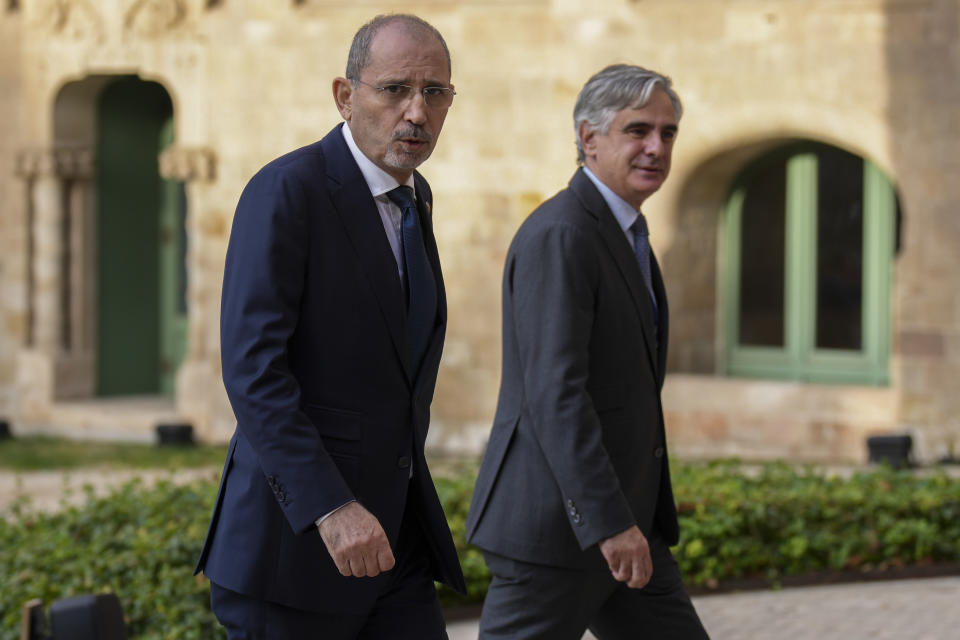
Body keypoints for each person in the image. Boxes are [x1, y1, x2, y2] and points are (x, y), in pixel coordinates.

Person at [195, 14, 465, 639]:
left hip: (393, 547)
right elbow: (254, 372)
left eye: (435, 92)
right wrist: (331, 507)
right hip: (292, 558)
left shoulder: (414, 198)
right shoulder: (287, 190)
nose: (417, 113)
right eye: (395, 89)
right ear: (346, 96)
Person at [465, 64, 710, 639]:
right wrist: (609, 524)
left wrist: (626, 523)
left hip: (623, 524)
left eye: (668, 133)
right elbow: (556, 394)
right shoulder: (563, 234)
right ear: (588, 139)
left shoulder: (625, 234)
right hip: (559, 533)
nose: (656, 147)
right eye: (638, 131)